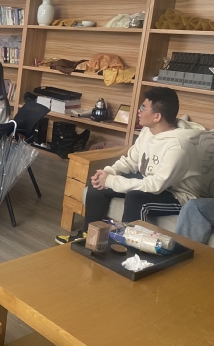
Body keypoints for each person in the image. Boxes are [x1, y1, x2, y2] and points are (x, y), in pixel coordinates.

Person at [56, 87, 204, 244]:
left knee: (136, 198)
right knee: (98, 186)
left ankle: (124, 248)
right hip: (151, 181)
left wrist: (112, 181)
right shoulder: (148, 131)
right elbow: (131, 160)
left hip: (177, 194)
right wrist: (108, 173)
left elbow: (155, 186)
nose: (138, 111)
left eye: (143, 108)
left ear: (157, 116)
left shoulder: (179, 146)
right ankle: (88, 236)